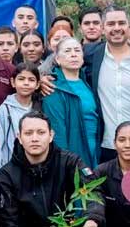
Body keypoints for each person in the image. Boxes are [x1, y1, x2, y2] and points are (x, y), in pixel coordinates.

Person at [84, 6, 130, 163]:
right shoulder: (90, 54)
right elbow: (56, 57)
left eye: (121, 23)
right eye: (111, 24)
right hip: (106, 144)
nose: (116, 28)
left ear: (129, 27)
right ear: (102, 28)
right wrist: (45, 78)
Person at [42, 37, 101, 166]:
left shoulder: (87, 82)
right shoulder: (53, 87)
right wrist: (65, 163)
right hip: (73, 151)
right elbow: (57, 131)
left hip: (94, 148)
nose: (73, 54)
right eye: (67, 51)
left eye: (77, 50)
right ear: (57, 59)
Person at [0, 62, 41, 174]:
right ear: (13, 82)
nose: (26, 83)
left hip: (34, 167)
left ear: (38, 84)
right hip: (11, 168)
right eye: (21, 79)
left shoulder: (39, 107)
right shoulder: (5, 110)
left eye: (31, 80)